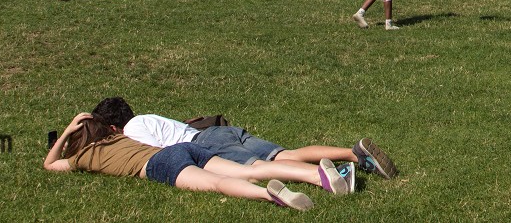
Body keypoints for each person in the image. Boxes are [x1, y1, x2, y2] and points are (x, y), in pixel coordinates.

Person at [42, 111, 328, 209]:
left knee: (218, 183)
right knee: (251, 168)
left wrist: (68, 132)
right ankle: (316, 175)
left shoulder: (83, 157)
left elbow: (49, 165)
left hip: (160, 164)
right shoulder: (121, 136)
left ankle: (267, 194)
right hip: (180, 148)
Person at [90, 97, 397, 180]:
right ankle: (353, 153)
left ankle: (333, 175)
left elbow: (157, 155)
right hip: (215, 131)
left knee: (264, 167)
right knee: (283, 153)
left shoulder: (131, 132)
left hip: (204, 146)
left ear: (114, 128)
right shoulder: (148, 117)